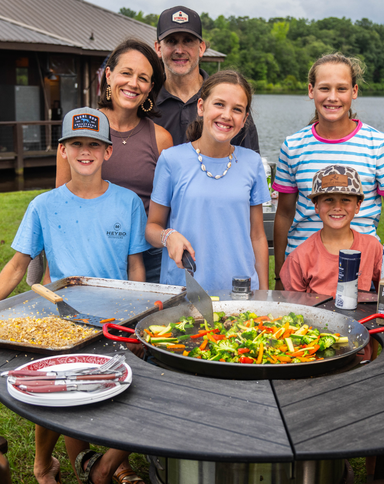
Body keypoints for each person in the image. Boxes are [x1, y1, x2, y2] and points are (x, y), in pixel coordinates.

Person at [0, 108, 150, 484]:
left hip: (116, 318)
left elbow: (135, 265)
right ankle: (44, 466)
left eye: (94, 144)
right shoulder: (44, 205)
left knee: (117, 388)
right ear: (62, 150)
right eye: (77, 144)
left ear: (108, 152)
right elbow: (16, 265)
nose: (85, 152)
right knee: (56, 390)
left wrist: (138, 316)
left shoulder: (128, 203)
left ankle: (107, 462)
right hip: (62, 319)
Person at [273, 52, 384, 302]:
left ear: (354, 91)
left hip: (362, 270)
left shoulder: (378, 144)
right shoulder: (294, 146)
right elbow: (284, 213)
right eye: (324, 88)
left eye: (342, 89)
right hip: (305, 275)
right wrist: (279, 272)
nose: (332, 97)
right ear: (311, 90)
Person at [55, 39, 173, 285]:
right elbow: (60, 205)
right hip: (90, 255)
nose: (133, 83)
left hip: (148, 259)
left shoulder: (161, 139)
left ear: (151, 86)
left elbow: (168, 208)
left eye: (143, 78)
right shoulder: (80, 132)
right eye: (126, 73)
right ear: (108, 75)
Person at [145, 70, 269, 290]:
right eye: (219, 104)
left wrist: (264, 295)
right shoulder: (171, 160)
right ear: (201, 107)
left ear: (245, 119)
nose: (227, 115)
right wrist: (168, 236)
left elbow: (257, 236)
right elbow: (152, 228)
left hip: (241, 292)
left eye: (237, 109)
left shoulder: (252, 162)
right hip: (184, 290)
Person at [153, 5, 259, 152]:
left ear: (201, 48)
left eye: (188, 40)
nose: (179, 50)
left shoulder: (228, 100)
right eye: (171, 41)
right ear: (158, 48)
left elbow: (250, 161)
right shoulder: (146, 102)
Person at [280, 165, 383, 297]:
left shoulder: (372, 248)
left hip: (361, 317)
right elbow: (294, 308)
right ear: (316, 205)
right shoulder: (299, 258)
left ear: (358, 205)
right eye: (329, 200)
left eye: (345, 200)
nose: (337, 207)